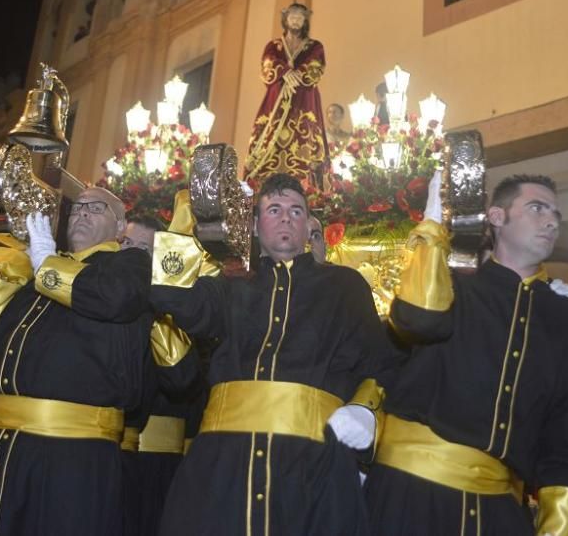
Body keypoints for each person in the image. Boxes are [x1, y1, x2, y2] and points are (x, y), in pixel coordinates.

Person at [150, 173, 405, 536]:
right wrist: (194, 205)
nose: (286, 217)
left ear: (307, 227)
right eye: (273, 209)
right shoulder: (229, 285)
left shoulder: (345, 287)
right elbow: (169, 297)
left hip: (312, 466)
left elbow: (383, 366)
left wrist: (367, 410)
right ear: (253, 226)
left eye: (296, 211)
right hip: (221, 464)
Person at [367, 173, 568, 535]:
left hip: (499, 513)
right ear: (496, 217)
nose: (551, 220)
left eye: (556, 214)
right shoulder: (452, 287)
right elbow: (415, 322)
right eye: (537, 208)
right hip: (404, 497)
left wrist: (559, 527)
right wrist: (432, 233)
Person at [0, 186, 152, 535]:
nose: (82, 213)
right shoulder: (37, 268)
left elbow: (114, 298)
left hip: (67, 456)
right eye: (77, 207)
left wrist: (47, 263)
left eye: (97, 207)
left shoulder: (127, 265)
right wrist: (9, 274)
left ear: (120, 228)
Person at [121, 215, 202, 536]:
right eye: (127, 244)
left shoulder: (174, 311)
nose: (132, 256)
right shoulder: (96, 295)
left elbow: (184, 378)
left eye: (144, 250)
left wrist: (153, 309)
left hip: (154, 465)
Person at [244, 3, 331, 187]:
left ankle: (309, 183)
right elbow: (268, 62)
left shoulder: (314, 46)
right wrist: (285, 72)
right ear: (285, 20)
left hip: (304, 98)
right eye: (292, 16)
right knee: (267, 137)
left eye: (300, 17)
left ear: (305, 21)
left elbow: (316, 64)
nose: (296, 20)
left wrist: (297, 74)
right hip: (276, 98)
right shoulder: (274, 45)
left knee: (305, 136)